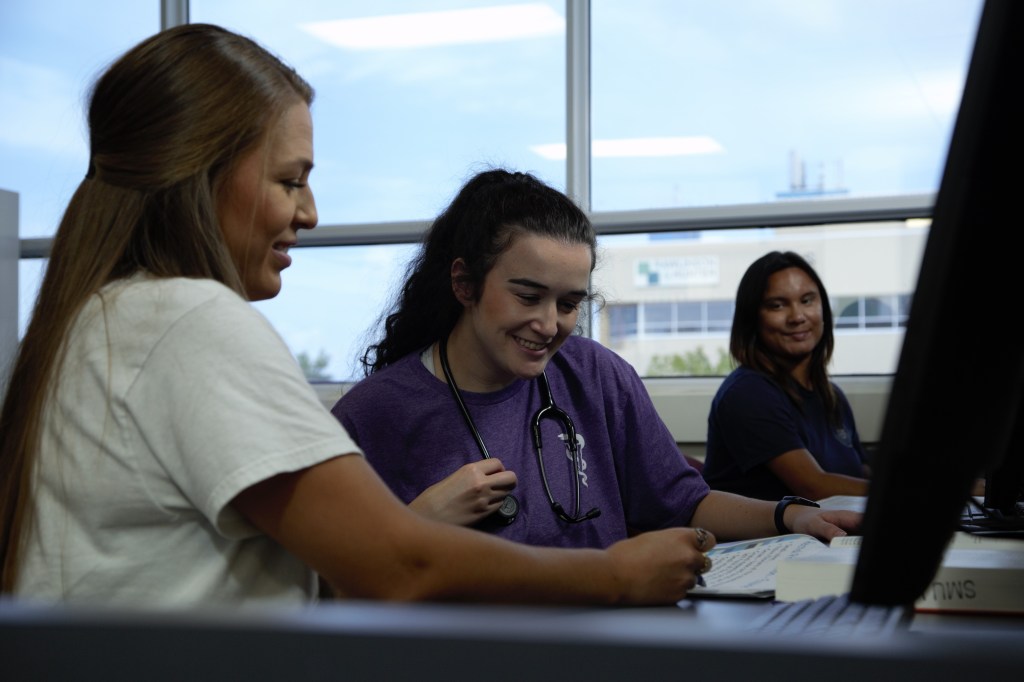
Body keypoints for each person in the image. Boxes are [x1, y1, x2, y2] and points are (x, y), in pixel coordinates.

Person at [1, 24, 718, 608]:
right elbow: (395, 568)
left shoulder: (101, 319)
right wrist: (616, 576)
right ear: (202, 173)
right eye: (291, 181)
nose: (309, 214)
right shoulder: (187, 320)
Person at [332, 170, 860, 552]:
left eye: (568, 304)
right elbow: (336, 582)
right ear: (464, 284)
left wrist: (791, 516)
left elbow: (681, 501)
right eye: (527, 296)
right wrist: (418, 522)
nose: (549, 325)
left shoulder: (595, 376)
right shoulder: (375, 414)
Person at [702, 251, 870, 501]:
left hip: (831, 533)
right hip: (770, 538)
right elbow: (814, 488)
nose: (797, 317)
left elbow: (860, 472)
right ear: (753, 318)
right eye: (777, 305)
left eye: (807, 300)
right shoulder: (747, 393)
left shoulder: (833, 396)